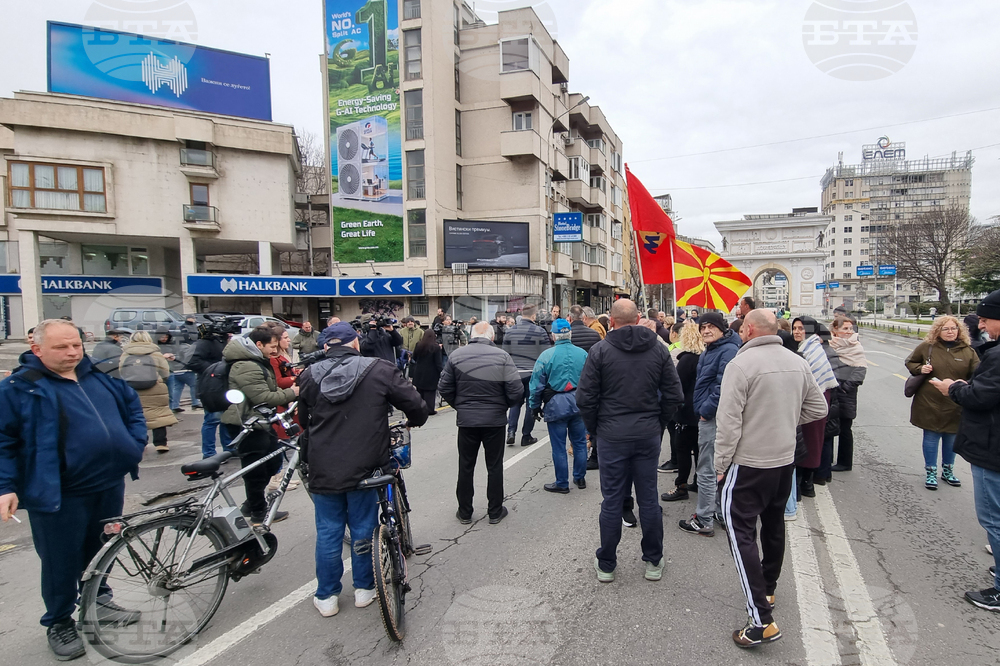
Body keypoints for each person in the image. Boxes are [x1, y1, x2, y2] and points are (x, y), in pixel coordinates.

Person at [0, 319, 147, 660]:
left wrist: (133, 444)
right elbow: (3, 441)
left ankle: (99, 600)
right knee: (60, 560)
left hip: (108, 484)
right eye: (61, 347)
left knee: (100, 549)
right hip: (59, 492)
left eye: (76, 345)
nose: (72, 353)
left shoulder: (98, 377)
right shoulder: (19, 388)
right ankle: (59, 621)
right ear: (37, 349)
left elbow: (132, 409)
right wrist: (5, 486)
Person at [297, 322, 427, 617]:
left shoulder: (309, 375)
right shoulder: (379, 369)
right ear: (356, 343)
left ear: (325, 346)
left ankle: (327, 596)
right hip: (367, 463)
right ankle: (365, 589)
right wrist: (415, 420)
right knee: (364, 527)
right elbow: (415, 405)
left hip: (324, 465)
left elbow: (303, 420)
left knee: (328, 531)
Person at [715, 310, 828, 647]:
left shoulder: (741, 365)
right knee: (774, 522)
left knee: (740, 531)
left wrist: (720, 465)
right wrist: (786, 420)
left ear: (748, 330)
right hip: (784, 459)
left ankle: (761, 620)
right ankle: (769, 587)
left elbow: (729, 423)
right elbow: (818, 408)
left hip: (749, 461)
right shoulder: (797, 360)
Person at [577, 299, 683, 583]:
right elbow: (674, 394)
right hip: (646, 433)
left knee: (612, 500)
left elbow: (585, 397)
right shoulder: (659, 349)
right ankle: (653, 560)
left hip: (612, 434)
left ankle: (608, 563)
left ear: (611, 321)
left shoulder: (600, 350)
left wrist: (595, 429)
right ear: (637, 319)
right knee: (648, 498)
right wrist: (657, 423)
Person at [929, 288, 1000, 611]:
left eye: (986, 319)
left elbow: (981, 396)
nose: (982, 325)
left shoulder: (992, 355)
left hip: (991, 446)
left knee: (993, 519)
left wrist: (953, 387)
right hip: (985, 440)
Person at [439, 321, 523, 524]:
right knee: (494, 466)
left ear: (471, 335)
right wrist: (503, 406)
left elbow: (444, 387)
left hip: (467, 420)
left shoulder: (456, 355)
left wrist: (460, 405)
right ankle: (495, 511)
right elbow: (516, 390)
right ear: (492, 337)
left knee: (466, 466)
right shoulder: (502, 356)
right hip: (494, 420)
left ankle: (465, 511)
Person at [222, 325, 299, 524]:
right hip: (246, 423)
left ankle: (251, 504)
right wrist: (293, 393)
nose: (275, 350)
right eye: (272, 346)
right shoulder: (246, 365)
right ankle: (258, 513)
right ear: (259, 344)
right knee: (255, 470)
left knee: (272, 462)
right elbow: (262, 397)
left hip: (259, 421)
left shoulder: (257, 360)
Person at [680, 311, 740, 536]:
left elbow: (723, 385)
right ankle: (717, 510)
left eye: (710, 326)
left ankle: (703, 519)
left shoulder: (727, 350)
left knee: (707, 468)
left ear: (722, 329)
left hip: (714, 417)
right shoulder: (715, 348)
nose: (705, 330)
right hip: (712, 416)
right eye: (702, 327)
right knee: (713, 466)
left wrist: (705, 411)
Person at [905, 315, 979, 490]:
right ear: (938, 331)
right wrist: (920, 368)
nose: (950, 332)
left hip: (955, 401)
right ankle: (930, 471)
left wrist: (968, 385)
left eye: (953, 328)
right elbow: (910, 362)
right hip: (929, 400)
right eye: (945, 328)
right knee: (931, 436)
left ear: (959, 331)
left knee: (951, 436)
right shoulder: (927, 347)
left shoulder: (968, 351)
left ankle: (948, 470)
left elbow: (978, 373)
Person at [528, 319, 590, 493]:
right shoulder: (582, 354)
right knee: (579, 442)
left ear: (553, 335)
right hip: (578, 403)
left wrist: (534, 406)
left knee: (559, 446)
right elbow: (591, 380)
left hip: (556, 405)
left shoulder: (546, 356)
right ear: (570, 334)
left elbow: (536, 385)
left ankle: (562, 483)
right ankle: (580, 477)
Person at [661, 321, 705, 501]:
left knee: (683, 449)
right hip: (700, 410)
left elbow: (677, 385)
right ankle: (697, 481)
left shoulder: (687, 359)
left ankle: (681, 486)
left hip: (687, 412)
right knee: (698, 449)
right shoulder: (705, 356)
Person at [501, 304, 552, 446]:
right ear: (534, 315)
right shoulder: (539, 331)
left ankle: (511, 432)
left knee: (515, 404)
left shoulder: (510, 331)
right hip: (533, 373)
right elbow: (546, 354)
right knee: (531, 404)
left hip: (515, 373)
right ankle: (526, 435)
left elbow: (505, 353)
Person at [121, 330, 177, 453]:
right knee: (158, 414)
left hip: (132, 389)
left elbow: (121, 372)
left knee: (136, 415)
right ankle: (161, 443)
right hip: (155, 387)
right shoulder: (156, 353)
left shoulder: (125, 354)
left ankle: (141, 442)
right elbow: (165, 372)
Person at [186, 322, 235, 458]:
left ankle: (229, 449)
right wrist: (215, 368)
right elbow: (191, 362)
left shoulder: (221, 342)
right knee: (212, 420)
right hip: (210, 388)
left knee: (227, 419)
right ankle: (209, 453)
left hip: (223, 386)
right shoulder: (204, 343)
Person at [828, 315, 867, 472]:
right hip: (830, 392)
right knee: (829, 427)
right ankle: (826, 459)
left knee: (845, 429)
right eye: (845, 328)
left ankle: (845, 462)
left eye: (851, 328)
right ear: (835, 331)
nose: (849, 332)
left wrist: (844, 387)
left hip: (845, 394)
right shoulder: (829, 345)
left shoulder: (855, 347)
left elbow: (860, 371)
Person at [266, 326, 300, 492]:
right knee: (281, 441)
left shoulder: (283, 356)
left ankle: (281, 476)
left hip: (288, 399)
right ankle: (275, 478)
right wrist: (296, 378)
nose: (288, 340)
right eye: (285, 337)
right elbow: (278, 382)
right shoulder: (274, 359)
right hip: (280, 402)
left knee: (287, 441)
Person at [157, 327, 201, 414]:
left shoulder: (159, 346)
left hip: (172, 370)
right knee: (193, 385)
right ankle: (195, 403)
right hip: (183, 370)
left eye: (166, 337)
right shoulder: (183, 346)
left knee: (177, 387)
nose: (164, 339)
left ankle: (174, 406)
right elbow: (186, 357)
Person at [410, 327, 444, 415]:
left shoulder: (419, 345)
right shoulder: (436, 347)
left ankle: (420, 409)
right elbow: (438, 363)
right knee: (430, 393)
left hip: (419, 372)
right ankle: (429, 409)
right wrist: (442, 373)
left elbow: (414, 358)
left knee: (420, 391)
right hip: (431, 373)